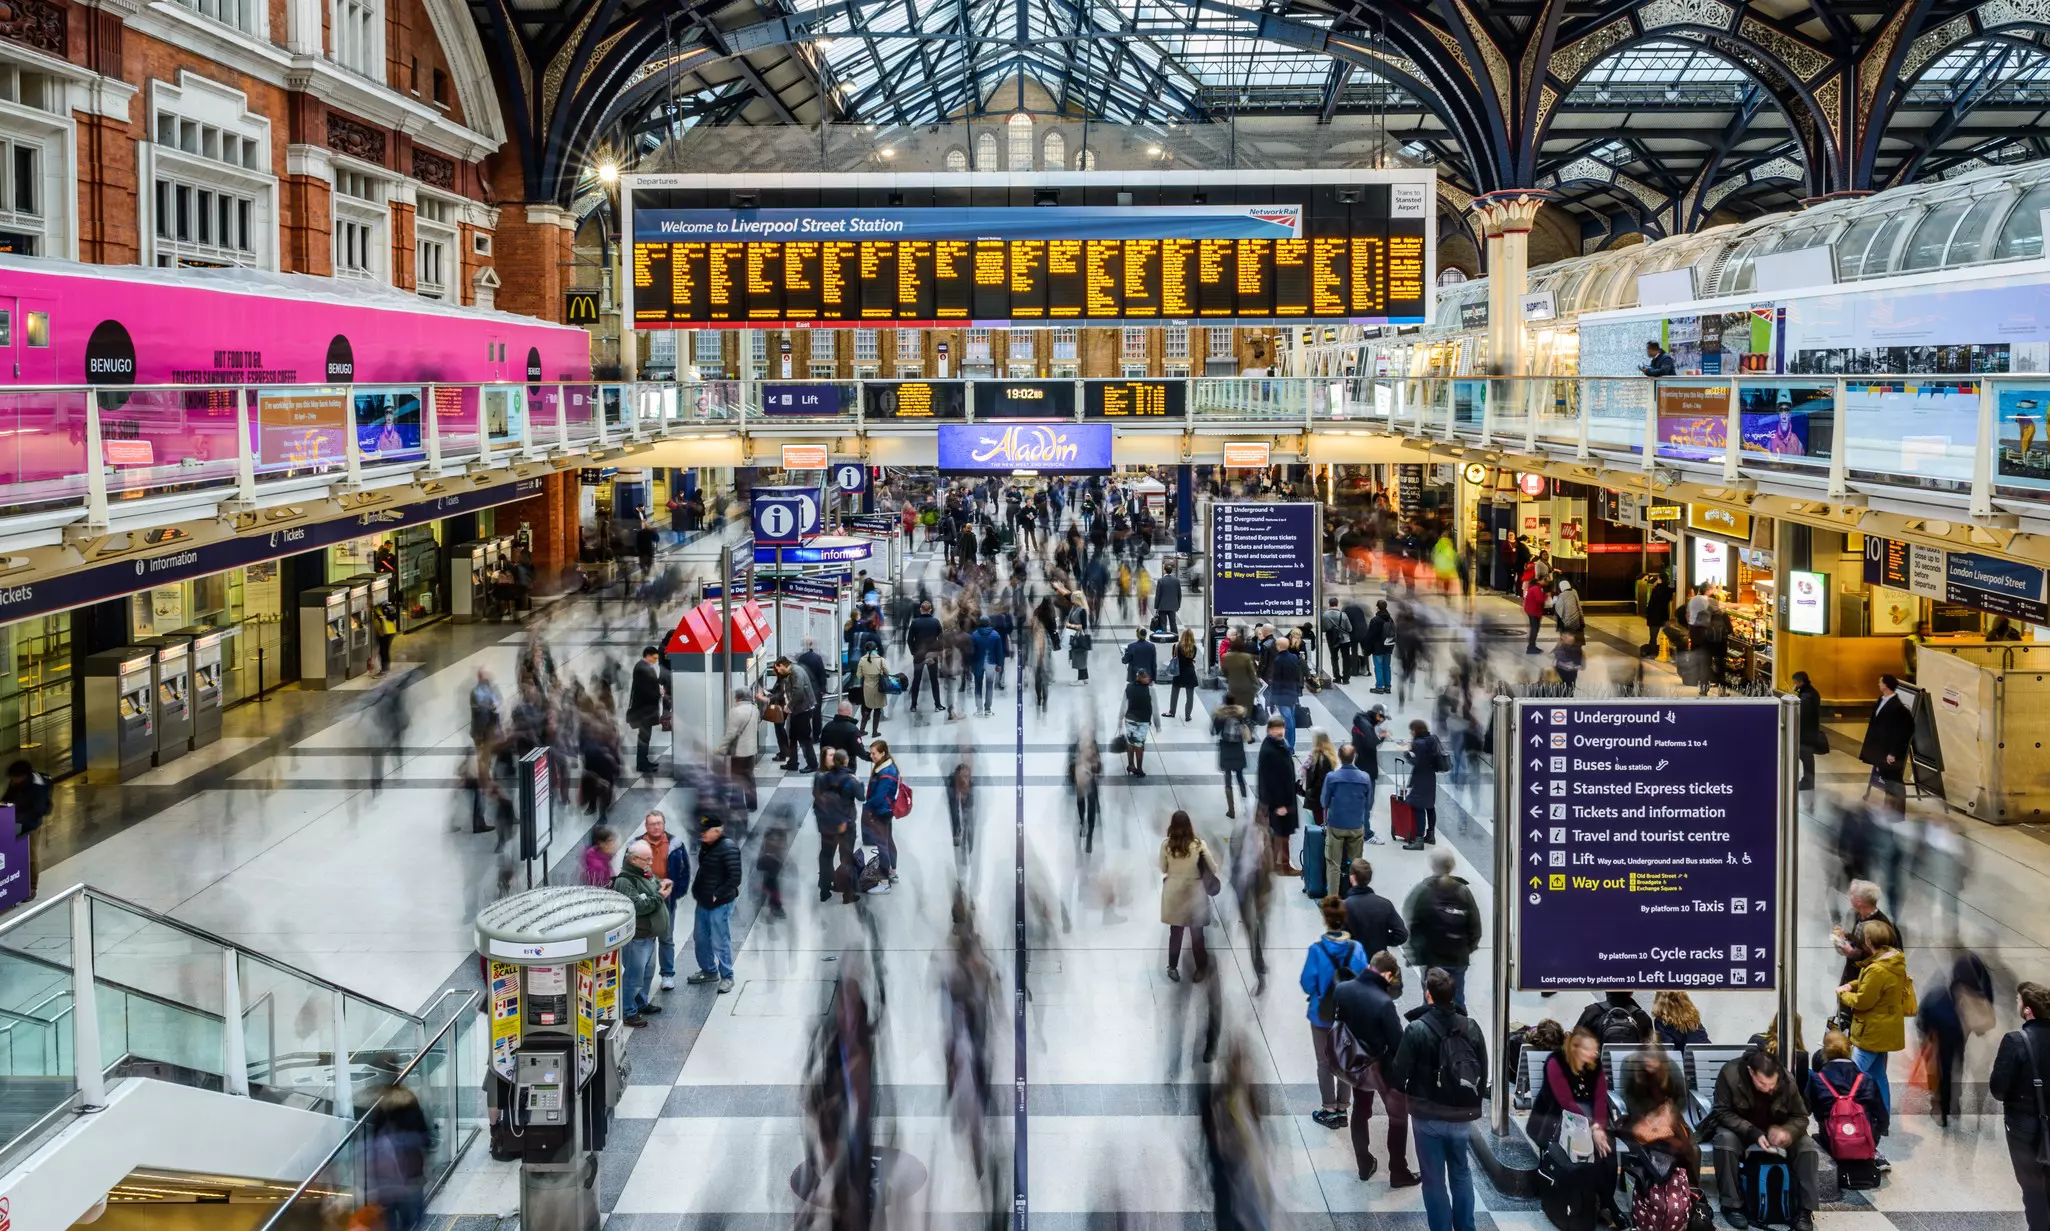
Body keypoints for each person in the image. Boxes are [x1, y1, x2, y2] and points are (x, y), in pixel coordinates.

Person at [1390, 967, 1489, 1231]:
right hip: (1460, 1116)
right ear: (1454, 996)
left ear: (1428, 995)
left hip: (1428, 1117)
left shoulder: (1416, 1029)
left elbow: (1398, 1074)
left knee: (1434, 1180)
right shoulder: (1472, 1027)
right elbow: (1483, 1071)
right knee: (1461, 1173)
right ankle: (1466, 1227)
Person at [1705, 1049, 1819, 1231]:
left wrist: (1787, 1131)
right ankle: (1732, 1205)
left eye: (1772, 1084)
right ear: (1751, 1072)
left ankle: (1804, 1211)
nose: (1768, 1089)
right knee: (1725, 1141)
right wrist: (1753, 1133)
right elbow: (1722, 1112)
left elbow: (1801, 1116)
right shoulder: (1730, 1074)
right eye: (1762, 1083)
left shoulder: (1786, 1080)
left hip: (1776, 1126)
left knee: (1807, 1147)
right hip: (1740, 1126)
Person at [1333, 950, 1418, 1186]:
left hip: (1354, 1063)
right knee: (1398, 1117)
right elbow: (1398, 1044)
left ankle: (1364, 1163)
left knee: (1360, 1109)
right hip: (1382, 1068)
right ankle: (1398, 1171)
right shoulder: (1383, 1003)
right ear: (1387, 974)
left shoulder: (1342, 989)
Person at [1526, 1025, 1618, 1227]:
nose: (1595, 1053)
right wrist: (1591, 1127)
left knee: (1608, 1153)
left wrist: (1598, 1128)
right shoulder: (1556, 1063)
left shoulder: (1595, 1064)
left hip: (1589, 1120)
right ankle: (1603, 1206)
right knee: (1589, 1152)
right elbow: (1565, 1102)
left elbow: (1600, 1098)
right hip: (1554, 1120)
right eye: (1589, 1049)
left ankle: (1604, 1203)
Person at [1302, 895, 1369, 1129]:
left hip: (1322, 1014)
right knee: (1345, 1058)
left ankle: (1328, 1109)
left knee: (1324, 1061)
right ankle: (1343, 1108)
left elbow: (1307, 983)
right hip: (1349, 1015)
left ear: (1325, 920)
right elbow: (1364, 979)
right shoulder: (1357, 948)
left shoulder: (1317, 950)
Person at [1836, 918, 1915, 1114]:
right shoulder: (1892, 960)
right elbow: (1872, 983)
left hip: (1872, 1031)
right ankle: (1883, 1116)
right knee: (1878, 1075)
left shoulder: (1877, 969)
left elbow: (1864, 1000)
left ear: (1869, 942)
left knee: (1851, 1075)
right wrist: (1853, 985)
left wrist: (1843, 994)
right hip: (1886, 1029)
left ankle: (1844, 1114)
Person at [1989, 980, 2050, 1230]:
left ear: (2028, 1010)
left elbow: (1998, 1089)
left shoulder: (2016, 1041)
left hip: (2024, 1125)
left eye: (2018, 1000)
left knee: (2032, 1186)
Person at [1918, 953, 1996, 1126]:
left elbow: (1924, 1016)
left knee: (1943, 1068)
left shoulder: (1941, 996)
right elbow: (1989, 999)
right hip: (1962, 1029)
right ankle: (1955, 1100)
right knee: (1957, 1060)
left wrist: (1924, 1035)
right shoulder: (1979, 976)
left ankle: (1943, 1108)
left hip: (1943, 1031)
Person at [1805, 1029, 1888, 1177]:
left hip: (1832, 1139)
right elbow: (1883, 1119)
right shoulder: (1866, 1078)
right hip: (1865, 1140)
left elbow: (1806, 1110)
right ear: (1849, 1050)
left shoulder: (1818, 1080)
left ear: (1825, 1052)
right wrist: (1870, 1136)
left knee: (1816, 1137)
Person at [1404, 850, 1481, 1007]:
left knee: (1430, 999)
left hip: (1432, 959)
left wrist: (1414, 953)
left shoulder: (1423, 891)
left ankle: (1430, 1029)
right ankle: (1460, 1029)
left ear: (1432, 865)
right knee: (1458, 997)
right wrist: (1467, 949)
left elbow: (1413, 924)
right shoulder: (1463, 891)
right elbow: (1475, 926)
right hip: (1458, 958)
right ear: (1451, 866)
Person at [611, 839, 670, 1026]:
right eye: (646, 860)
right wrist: (661, 895)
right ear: (634, 859)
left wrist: (661, 884)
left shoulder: (644, 872)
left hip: (649, 937)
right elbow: (638, 906)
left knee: (646, 974)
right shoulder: (625, 881)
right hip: (637, 938)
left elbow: (652, 887)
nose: (650, 863)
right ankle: (628, 1011)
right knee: (633, 977)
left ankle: (640, 1002)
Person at [1159, 809, 1213, 981]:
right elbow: (1214, 868)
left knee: (1176, 932)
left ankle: (1172, 967)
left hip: (1174, 893)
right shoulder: (1199, 845)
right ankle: (1201, 968)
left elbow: (1163, 868)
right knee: (1197, 934)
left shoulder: (1166, 845)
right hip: (1195, 893)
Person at [1321, 744, 1376, 890]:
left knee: (1334, 864)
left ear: (1339, 757)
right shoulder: (1365, 778)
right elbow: (1369, 804)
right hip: (1356, 826)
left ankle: (1332, 899)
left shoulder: (1332, 777)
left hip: (1336, 826)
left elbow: (1323, 802)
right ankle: (1355, 894)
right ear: (1355, 757)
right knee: (1356, 865)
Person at [1859, 674, 1915, 814]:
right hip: (1880, 748)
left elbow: (1905, 730)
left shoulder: (1897, 707)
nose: (1878, 684)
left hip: (1890, 751)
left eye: (1880, 682)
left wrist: (1893, 752)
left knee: (1894, 780)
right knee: (1886, 779)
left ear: (1885, 685)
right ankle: (1889, 806)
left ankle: (1898, 810)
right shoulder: (1881, 700)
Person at [813, 748, 862, 903]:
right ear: (846, 761)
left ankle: (824, 889)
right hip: (845, 825)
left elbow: (818, 797)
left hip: (827, 824)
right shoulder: (850, 779)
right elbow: (861, 797)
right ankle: (848, 893)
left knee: (826, 855)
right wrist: (860, 783)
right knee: (846, 858)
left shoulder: (823, 777)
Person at [1256, 716, 1302, 876]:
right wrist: (1279, 804)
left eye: (1281, 727)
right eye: (1276, 728)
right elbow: (1271, 780)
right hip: (1277, 801)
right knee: (1281, 834)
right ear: (1269, 730)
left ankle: (1273, 864)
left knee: (1279, 833)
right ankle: (1282, 865)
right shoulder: (1270, 750)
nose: (1280, 731)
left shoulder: (1278, 745)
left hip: (1283, 797)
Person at [4, 759, 51, 901]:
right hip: (15, 821)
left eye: (15, 778)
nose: (12, 781)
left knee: (31, 855)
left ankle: (32, 887)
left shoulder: (38, 786)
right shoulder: (15, 783)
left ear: (23, 775)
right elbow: (7, 798)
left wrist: (18, 821)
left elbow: (38, 810)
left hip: (32, 824)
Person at [1342, 859, 1409, 958]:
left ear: (1352, 877)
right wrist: (1382, 939)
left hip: (1354, 962)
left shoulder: (1344, 906)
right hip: (1378, 961)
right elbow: (1402, 934)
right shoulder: (1385, 904)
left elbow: (1337, 939)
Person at [862, 740, 903, 888]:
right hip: (887, 810)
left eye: (874, 753)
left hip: (881, 811)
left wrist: (867, 806)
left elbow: (879, 797)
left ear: (883, 753)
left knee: (882, 845)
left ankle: (884, 880)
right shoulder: (889, 768)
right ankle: (893, 872)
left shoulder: (885, 773)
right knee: (888, 841)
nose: (871, 756)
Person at [1402, 719, 1445, 850]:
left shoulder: (1419, 743)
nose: (1410, 732)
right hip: (1430, 777)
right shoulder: (1432, 738)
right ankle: (1430, 835)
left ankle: (1419, 839)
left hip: (1420, 778)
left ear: (1416, 730)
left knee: (1419, 807)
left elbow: (1417, 762)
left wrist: (1406, 754)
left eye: (1411, 730)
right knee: (1430, 807)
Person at [777, 655, 821, 773]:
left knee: (804, 738)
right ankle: (792, 762)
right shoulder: (793, 670)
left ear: (782, 665)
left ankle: (812, 764)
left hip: (803, 710)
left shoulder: (796, 672)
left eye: (778, 669)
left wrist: (789, 706)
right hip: (799, 710)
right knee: (793, 736)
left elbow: (799, 692)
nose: (778, 672)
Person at [627, 645, 666, 775]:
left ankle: (644, 761)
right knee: (644, 737)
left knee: (645, 737)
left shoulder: (642, 667)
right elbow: (646, 691)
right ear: (648, 655)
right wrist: (658, 693)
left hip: (645, 711)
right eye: (654, 658)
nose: (655, 661)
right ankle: (642, 763)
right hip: (644, 711)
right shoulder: (642, 669)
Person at [1213, 693, 1253, 819]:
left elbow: (1214, 731)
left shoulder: (1221, 716)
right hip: (1238, 749)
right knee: (1240, 778)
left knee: (1228, 779)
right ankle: (1246, 807)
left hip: (1226, 749)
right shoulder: (1241, 714)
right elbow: (1249, 729)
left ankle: (1231, 810)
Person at [720, 688, 760, 811]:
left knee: (736, 777)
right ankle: (752, 804)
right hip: (751, 749)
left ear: (738, 697)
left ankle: (736, 804)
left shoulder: (735, 711)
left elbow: (731, 733)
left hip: (738, 751)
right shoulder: (755, 709)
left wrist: (722, 747)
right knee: (749, 776)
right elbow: (757, 725)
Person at [1268, 632, 1307, 750]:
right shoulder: (1294, 658)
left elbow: (1276, 681)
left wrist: (1272, 700)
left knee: (1288, 721)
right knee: (1292, 720)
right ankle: (1291, 746)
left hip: (1282, 695)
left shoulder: (1278, 660)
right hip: (1292, 693)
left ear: (1279, 646)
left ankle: (1289, 748)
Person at [1576, 991, 1654, 1045]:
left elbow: (1575, 1044)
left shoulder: (1592, 1012)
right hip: (1632, 1067)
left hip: (1599, 1067)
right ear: (1631, 991)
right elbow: (1651, 1051)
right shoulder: (1641, 1016)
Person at [1122, 669, 1156, 776]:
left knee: (1130, 742)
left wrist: (1120, 718)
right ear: (1139, 678)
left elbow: (1124, 704)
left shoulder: (1129, 687)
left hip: (1130, 719)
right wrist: (1156, 722)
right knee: (1139, 744)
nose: (1148, 679)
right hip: (1142, 721)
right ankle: (1139, 768)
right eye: (1145, 677)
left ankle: (1131, 765)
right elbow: (1153, 707)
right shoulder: (1149, 690)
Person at [1794, 671, 1824, 791]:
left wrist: (1795, 693)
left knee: (1806, 757)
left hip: (1806, 733)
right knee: (1806, 757)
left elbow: (1801, 713)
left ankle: (1808, 781)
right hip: (1809, 731)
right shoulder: (1811, 692)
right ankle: (1808, 780)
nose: (1794, 685)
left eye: (1795, 683)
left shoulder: (1806, 696)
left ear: (1800, 682)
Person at [970, 617, 1004, 716]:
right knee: (989, 687)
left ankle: (979, 709)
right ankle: (988, 709)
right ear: (989, 623)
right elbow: (999, 652)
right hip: (991, 663)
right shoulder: (995, 635)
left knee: (978, 686)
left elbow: (971, 652)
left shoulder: (974, 635)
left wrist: (971, 664)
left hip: (978, 663)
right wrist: (999, 665)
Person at [854, 645, 889, 736]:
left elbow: (859, 675)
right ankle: (874, 732)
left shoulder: (862, 660)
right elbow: (887, 672)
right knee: (877, 710)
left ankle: (861, 730)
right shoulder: (880, 660)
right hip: (878, 687)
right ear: (876, 649)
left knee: (867, 708)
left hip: (867, 687)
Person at [1167, 629, 1200, 722]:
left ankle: (1172, 712)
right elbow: (1192, 657)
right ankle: (1187, 715)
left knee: (1174, 693)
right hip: (1190, 672)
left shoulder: (1176, 646)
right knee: (1190, 696)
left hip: (1178, 672)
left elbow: (1174, 657)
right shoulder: (1193, 647)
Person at [819, 700, 865, 767]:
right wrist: (870, 757)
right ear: (850, 711)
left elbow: (822, 748)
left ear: (838, 710)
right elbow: (859, 750)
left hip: (830, 765)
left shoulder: (827, 727)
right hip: (847, 766)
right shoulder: (853, 729)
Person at [1364, 600, 1394, 694]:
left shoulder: (1375, 620)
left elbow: (1370, 635)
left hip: (1378, 648)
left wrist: (1367, 647)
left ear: (1377, 607)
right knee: (1387, 666)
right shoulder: (1390, 619)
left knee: (1378, 667)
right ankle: (1387, 686)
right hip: (1388, 646)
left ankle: (1379, 687)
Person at [1322, 597, 1354, 683]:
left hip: (1332, 639)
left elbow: (1324, 629)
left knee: (1334, 658)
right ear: (1337, 604)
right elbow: (1350, 629)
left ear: (1329, 604)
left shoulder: (1325, 615)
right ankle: (1346, 678)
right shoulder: (1343, 615)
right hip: (1345, 639)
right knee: (1346, 658)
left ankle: (1337, 677)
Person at [1645, 571, 1675, 653]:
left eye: (1658, 578)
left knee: (1653, 636)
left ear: (1660, 580)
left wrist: (1647, 612)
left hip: (1654, 615)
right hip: (1664, 615)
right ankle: (1665, 651)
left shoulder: (1656, 589)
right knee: (1665, 635)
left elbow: (1652, 603)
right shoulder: (1669, 590)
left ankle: (1652, 651)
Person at [1522, 575, 1547, 654]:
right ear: (1540, 580)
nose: (1546, 583)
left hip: (1531, 610)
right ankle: (1531, 647)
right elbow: (1539, 600)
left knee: (1534, 628)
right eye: (1545, 581)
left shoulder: (1533, 587)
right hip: (1534, 611)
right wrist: (1546, 596)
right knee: (1534, 629)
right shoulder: (1537, 588)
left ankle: (1532, 646)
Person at [373, 601, 399, 676]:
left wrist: (381, 631)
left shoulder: (377, 610)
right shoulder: (382, 607)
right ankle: (386, 669)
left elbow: (381, 621)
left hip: (385, 632)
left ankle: (385, 670)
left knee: (383, 652)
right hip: (391, 631)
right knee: (384, 651)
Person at [1155, 564, 1182, 632]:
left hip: (1162, 606)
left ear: (1164, 570)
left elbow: (1158, 595)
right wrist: (1178, 605)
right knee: (1173, 623)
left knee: (1163, 623)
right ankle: (1174, 636)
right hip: (1173, 605)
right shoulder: (1176, 580)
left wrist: (1156, 606)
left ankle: (1164, 637)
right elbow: (1179, 594)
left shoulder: (1161, 581)